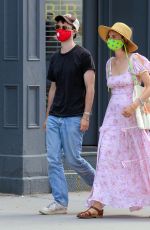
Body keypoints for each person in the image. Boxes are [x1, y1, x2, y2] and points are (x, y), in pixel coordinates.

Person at [77, 22, 150, 219]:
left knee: (141, 159)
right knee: (106, 158)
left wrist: (134, 105)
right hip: (112, 118)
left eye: (115, 37)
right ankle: (97, 204)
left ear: (124, 40)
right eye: (110, 37)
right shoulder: (109, 63)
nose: (112, 40)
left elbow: (149, 85)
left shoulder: (136, 59)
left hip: (133, 118)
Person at [39, 14, 96, 215]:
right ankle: (60, 202)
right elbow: (53, 88)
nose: (60, 28)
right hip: (55, 117)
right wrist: (47, 116)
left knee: (73, 159)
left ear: (74, 30)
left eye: (65, 25)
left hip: (74, 116)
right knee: (53, 159)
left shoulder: (83, 56)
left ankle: (100, 188)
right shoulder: (54, 58)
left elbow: (90, 88)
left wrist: (86, 116)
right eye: (58, 25)